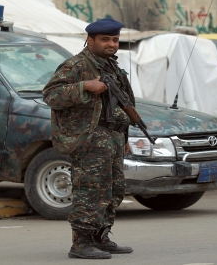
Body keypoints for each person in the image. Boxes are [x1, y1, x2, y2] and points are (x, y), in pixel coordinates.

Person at [42, 18, 134, 260]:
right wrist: (84, 86)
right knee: (90, 190)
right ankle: (81, 242)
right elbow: (51, 95)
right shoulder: (75, 65)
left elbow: (123, 106)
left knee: (113, 190)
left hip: (112, 137)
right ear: (90, 40)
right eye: (105, 40)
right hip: (89, 137)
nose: (111, 44)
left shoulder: (113, 68)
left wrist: (124, 136)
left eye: (115, 40)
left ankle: (100, 237)